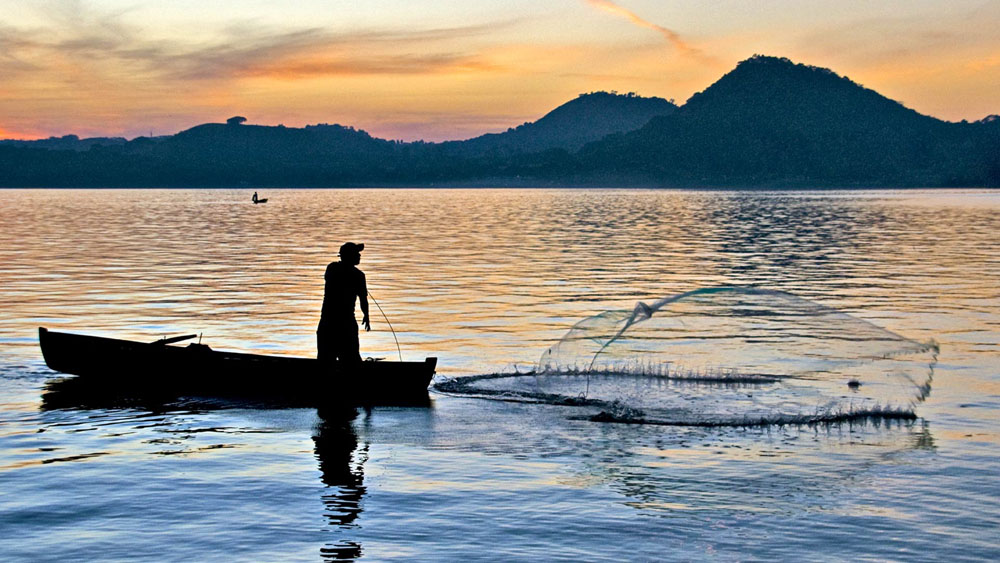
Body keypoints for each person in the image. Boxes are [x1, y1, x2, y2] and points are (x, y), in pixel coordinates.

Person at [318, 242, 370, 366]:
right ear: (348, 256)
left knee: (326, 361)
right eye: (356, 254)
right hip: (343, 323)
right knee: (350, 362)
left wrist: (366, 316)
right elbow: (363, 299)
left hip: (328, 322)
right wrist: (366, 316)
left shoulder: (332, 268)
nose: (359, 256)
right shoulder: (358, 276)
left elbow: (363, 300)